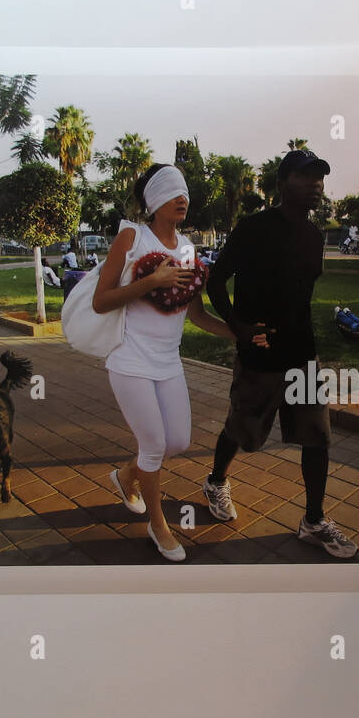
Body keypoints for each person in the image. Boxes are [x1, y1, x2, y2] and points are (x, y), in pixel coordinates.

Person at [204, 148, 359, 558]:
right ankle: (216, 481)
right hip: (260, 352)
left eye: (320, 178)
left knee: (317, 438)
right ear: (281, 183)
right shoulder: (253, 228)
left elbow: (300, 294)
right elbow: (216, 281)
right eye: (305, 176)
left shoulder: (314, 236)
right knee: (241, 431)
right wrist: (237, 326)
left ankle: (314, 520)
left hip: (302, 353)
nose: (315, 185)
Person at [92, 164, 238, 562]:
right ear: (154, 199)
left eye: (185, 193)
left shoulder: (188, 248)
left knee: (178, 441)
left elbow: (197, 316)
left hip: (168, 363)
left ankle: (126, 476)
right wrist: (150, 283)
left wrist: (238, 334)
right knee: (154, 444)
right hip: (130, 360)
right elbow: (100, 301)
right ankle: (158, 525)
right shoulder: (131, 237)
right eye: (173, 192)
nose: (183, 199)